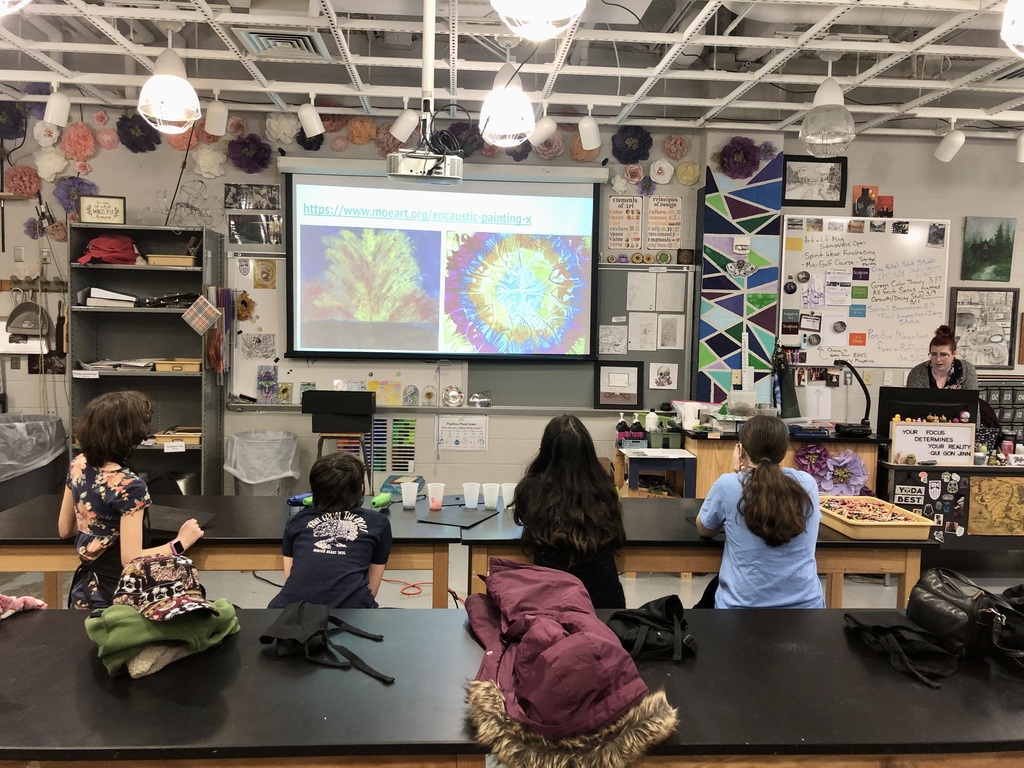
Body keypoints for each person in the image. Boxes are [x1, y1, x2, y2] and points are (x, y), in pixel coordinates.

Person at [58, 391, 205, 610]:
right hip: (119, 597)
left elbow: (65, 529)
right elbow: (131, 558)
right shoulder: (130, 486)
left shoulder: (78, 464)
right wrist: (180, 542)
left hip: (84, 593)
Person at [696, 413, 824, 609]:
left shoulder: (729, 484)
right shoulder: (807, 484)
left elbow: (705, 529)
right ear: (784, 450)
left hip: (741, 611)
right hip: (807, 610)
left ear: (741, 450)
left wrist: (739, 473)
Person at [512, 414, 626, 609]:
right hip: (605, 605)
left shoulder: (530, 489)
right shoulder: (604, 490)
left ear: (544, 451)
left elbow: (524, 519)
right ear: (589, 453)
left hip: (552, 603)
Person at [268, 452, 391, 609]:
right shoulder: (378, 523)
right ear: (361, 489)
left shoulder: (296, 521)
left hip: (289, 612)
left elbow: (290, 578)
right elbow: (371, 590)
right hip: (352, 614)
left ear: (314, 491)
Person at [906, 324, 978, 390]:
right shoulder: (918, 372)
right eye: (933, 354)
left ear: (954, 354)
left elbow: (972, 401)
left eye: (943, 355)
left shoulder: (967, 370)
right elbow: (913, 402)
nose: (938, 359)